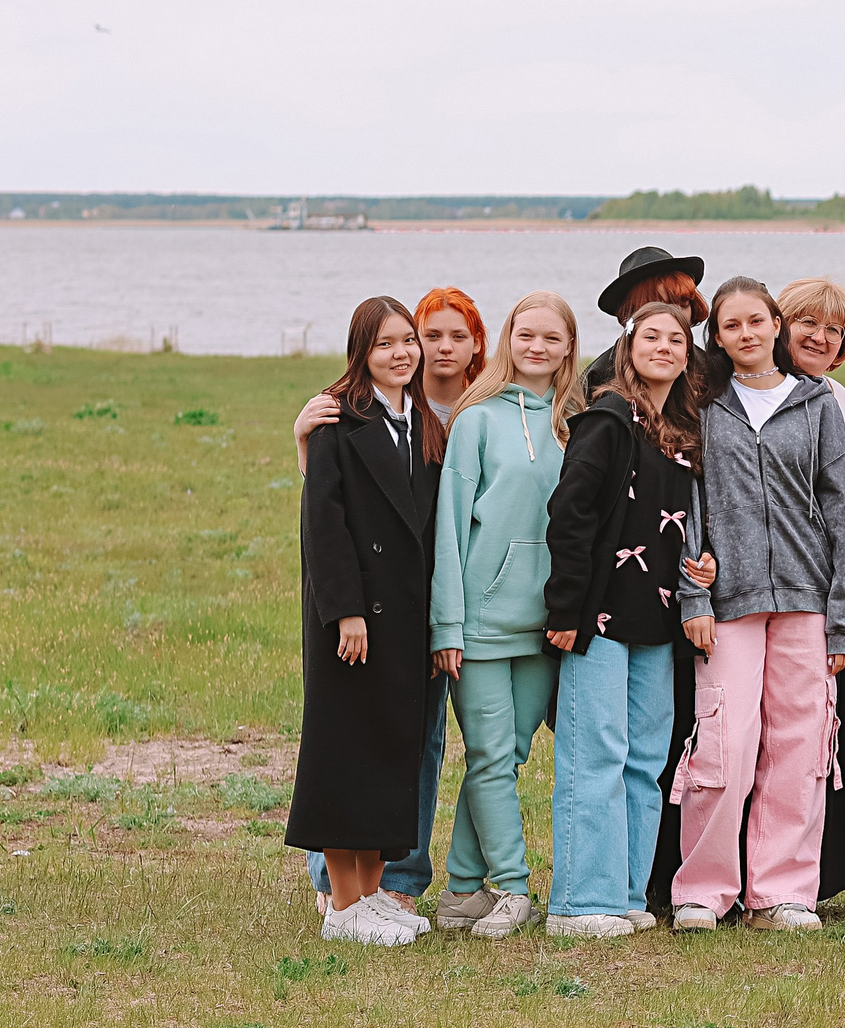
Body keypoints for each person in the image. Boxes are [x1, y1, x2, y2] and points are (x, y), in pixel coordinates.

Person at [668, 278, 845, 933]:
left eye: (757, 320)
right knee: (725, 741)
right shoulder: (703, 403)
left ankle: (781, 894)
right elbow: (689, 504)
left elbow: (841, 507)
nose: (747, 333)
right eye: (732, 325)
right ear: (717, 336)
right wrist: (693, 591)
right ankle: (702, 889)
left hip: (808, 601)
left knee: (800, 746)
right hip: (728, 602)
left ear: (774, 324)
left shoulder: (815, 403)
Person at [292, 285, 484, 917]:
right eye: (387, 344)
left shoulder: (426, 425)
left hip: (406, 623)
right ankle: (341, 901)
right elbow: (325, 524)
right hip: (354, 621)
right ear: (361, 352)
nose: (403, 354)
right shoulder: (337, 421)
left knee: (393, 756)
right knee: (347, 752)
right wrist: (345, 609)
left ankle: (375, 896)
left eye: (409, 341)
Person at [544, 302, 718, 938]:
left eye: (677, 338)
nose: (665, 347)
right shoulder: (607, 419)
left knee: (646, 760)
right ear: (628, 344)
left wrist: (700, 568)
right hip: (598, 615)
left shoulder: (680, 430)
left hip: (658, 621)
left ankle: (623, 892)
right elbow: (570, 513)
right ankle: (578, 902)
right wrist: (565, 607)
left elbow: (675, 527)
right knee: (596, 754)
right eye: (652, 337)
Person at [427, 292, 580, 941]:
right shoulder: (478, 421)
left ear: (569, 346)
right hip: (482, 621)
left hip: (547, 623)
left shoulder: (577, 422)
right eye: (526, 334)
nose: (538, 347)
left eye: (551, 337)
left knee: (507, 756)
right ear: (509, 340)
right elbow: (449, 530)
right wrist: (447, 626)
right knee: (488, 754)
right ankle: (512, 888)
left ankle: (463, 889)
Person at [775, 277, 845, 906]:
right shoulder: (752, 396)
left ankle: (818, 873)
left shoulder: (844, 399)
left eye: (833, 329)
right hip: (780, 588)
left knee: (831, 734)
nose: (818, 336)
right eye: (805, 322)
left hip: (843, 586)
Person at [586, 247, 709, 393]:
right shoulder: (597, 378)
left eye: (681, 305)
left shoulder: (711, 371)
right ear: (630, 314)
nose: (671, 315)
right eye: (657, 306)